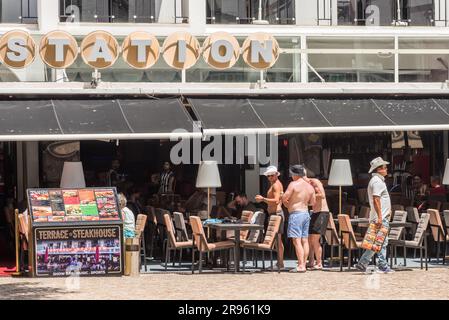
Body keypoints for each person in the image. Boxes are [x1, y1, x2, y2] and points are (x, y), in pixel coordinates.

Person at [355, 157, 394, 274]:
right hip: (380, 217)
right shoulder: (377, 182)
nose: (386, 169)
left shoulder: (376, 181)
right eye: (385, 167)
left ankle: (362, 263)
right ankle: (382, 265)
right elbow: (376, 199)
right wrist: (381, 217)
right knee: (381, 242)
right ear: (379, 169)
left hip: (379, 216)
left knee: (376, 242)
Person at [282, 165, 316, 273]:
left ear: (295, 174)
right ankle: (304, 265)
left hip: (296, 214)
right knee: (304, 240)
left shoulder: (293, 184)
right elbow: (313, 202)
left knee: (296, 241)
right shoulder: (309, 187)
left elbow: (284, 198)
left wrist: (288, 205)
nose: (291, 176)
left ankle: (301, 265)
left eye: (292, 174)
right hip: (306, 213)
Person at [255, 165, 285, 269]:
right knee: (277, 240)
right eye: (268, 176)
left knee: (278, 239)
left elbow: (276, 200)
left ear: (276, 175)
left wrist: (263, 199)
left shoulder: (276, 185)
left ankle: (280, 263)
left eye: (272, 175)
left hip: (276, 214)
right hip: (274, 214)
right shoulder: (275, 184)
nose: (270, 177)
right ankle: (279, 263)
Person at [303, 170, 329, 271]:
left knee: (314, 239)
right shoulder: (306, 186)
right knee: (309, 238)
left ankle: (319, 263)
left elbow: (322, 195)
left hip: (322, 212)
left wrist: (309, 197)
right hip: (314, 213)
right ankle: (311, 261)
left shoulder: (314, 182)